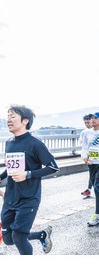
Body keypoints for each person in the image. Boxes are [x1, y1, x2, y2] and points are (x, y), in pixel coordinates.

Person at [0, 105, 59, 255]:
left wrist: (28, 174)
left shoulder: (35, 143)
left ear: (25, 120)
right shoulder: (9, 143)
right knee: (8, 239)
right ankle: (42, 235)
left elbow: (53, 167)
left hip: (28, 199)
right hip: (9, 198)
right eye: (8, 116)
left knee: (19, 238)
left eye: (13, 116)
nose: (9, 120)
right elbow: (11, 168)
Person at [80, 113, 94, 198]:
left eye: (88, 122)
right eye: (85, 123)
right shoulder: (84, 132)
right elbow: (83, 146)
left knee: (97, 178)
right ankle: (88, 190)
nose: (87, 124)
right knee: (92, 174)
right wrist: (85, 157)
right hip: (90, 158)